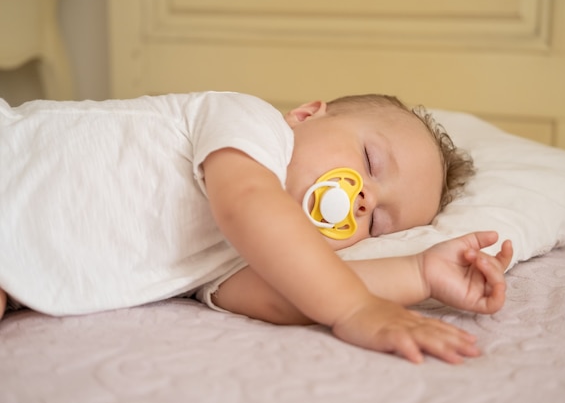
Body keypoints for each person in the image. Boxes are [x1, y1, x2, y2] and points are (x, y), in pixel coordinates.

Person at [0, 91, 513, 365]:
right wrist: (355, 308)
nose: (363, 198)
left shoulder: (239, 255)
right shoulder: (247, 124)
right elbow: (249, 203)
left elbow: (278, 296)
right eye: (370, 160)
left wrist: (418, 273)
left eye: (378, 222)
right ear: (306, 115)